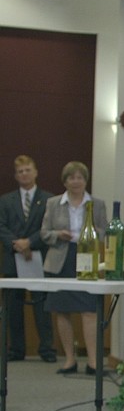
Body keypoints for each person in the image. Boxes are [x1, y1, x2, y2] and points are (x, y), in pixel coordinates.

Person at [40, 161, 108, 374]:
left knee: (90, 310)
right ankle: (69, 360)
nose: (76, 181)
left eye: (80, 177)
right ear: (65, 181)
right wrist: (58, 234)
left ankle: (93, 361)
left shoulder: (96, 204)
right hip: (60, 259)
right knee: (62, 311)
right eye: (71, 177)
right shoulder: (53, 203)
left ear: (86, 181)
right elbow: (44, 233)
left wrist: (95, 231)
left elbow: (106, 232)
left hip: (87, 256)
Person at [0, 155, 56, 362]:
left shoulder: (49, 200)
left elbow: (48, 227)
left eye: (27, 170)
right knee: (13, 308)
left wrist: (29, 243)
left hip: (39, 256)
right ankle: (16, 349)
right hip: (12, 258)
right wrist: (17, 243)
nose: (24, 174)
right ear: (16, 176)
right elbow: (1, 226)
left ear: (35, 172)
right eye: (20, 171)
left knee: (42, 306)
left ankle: (47, 349)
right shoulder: (5, 200)